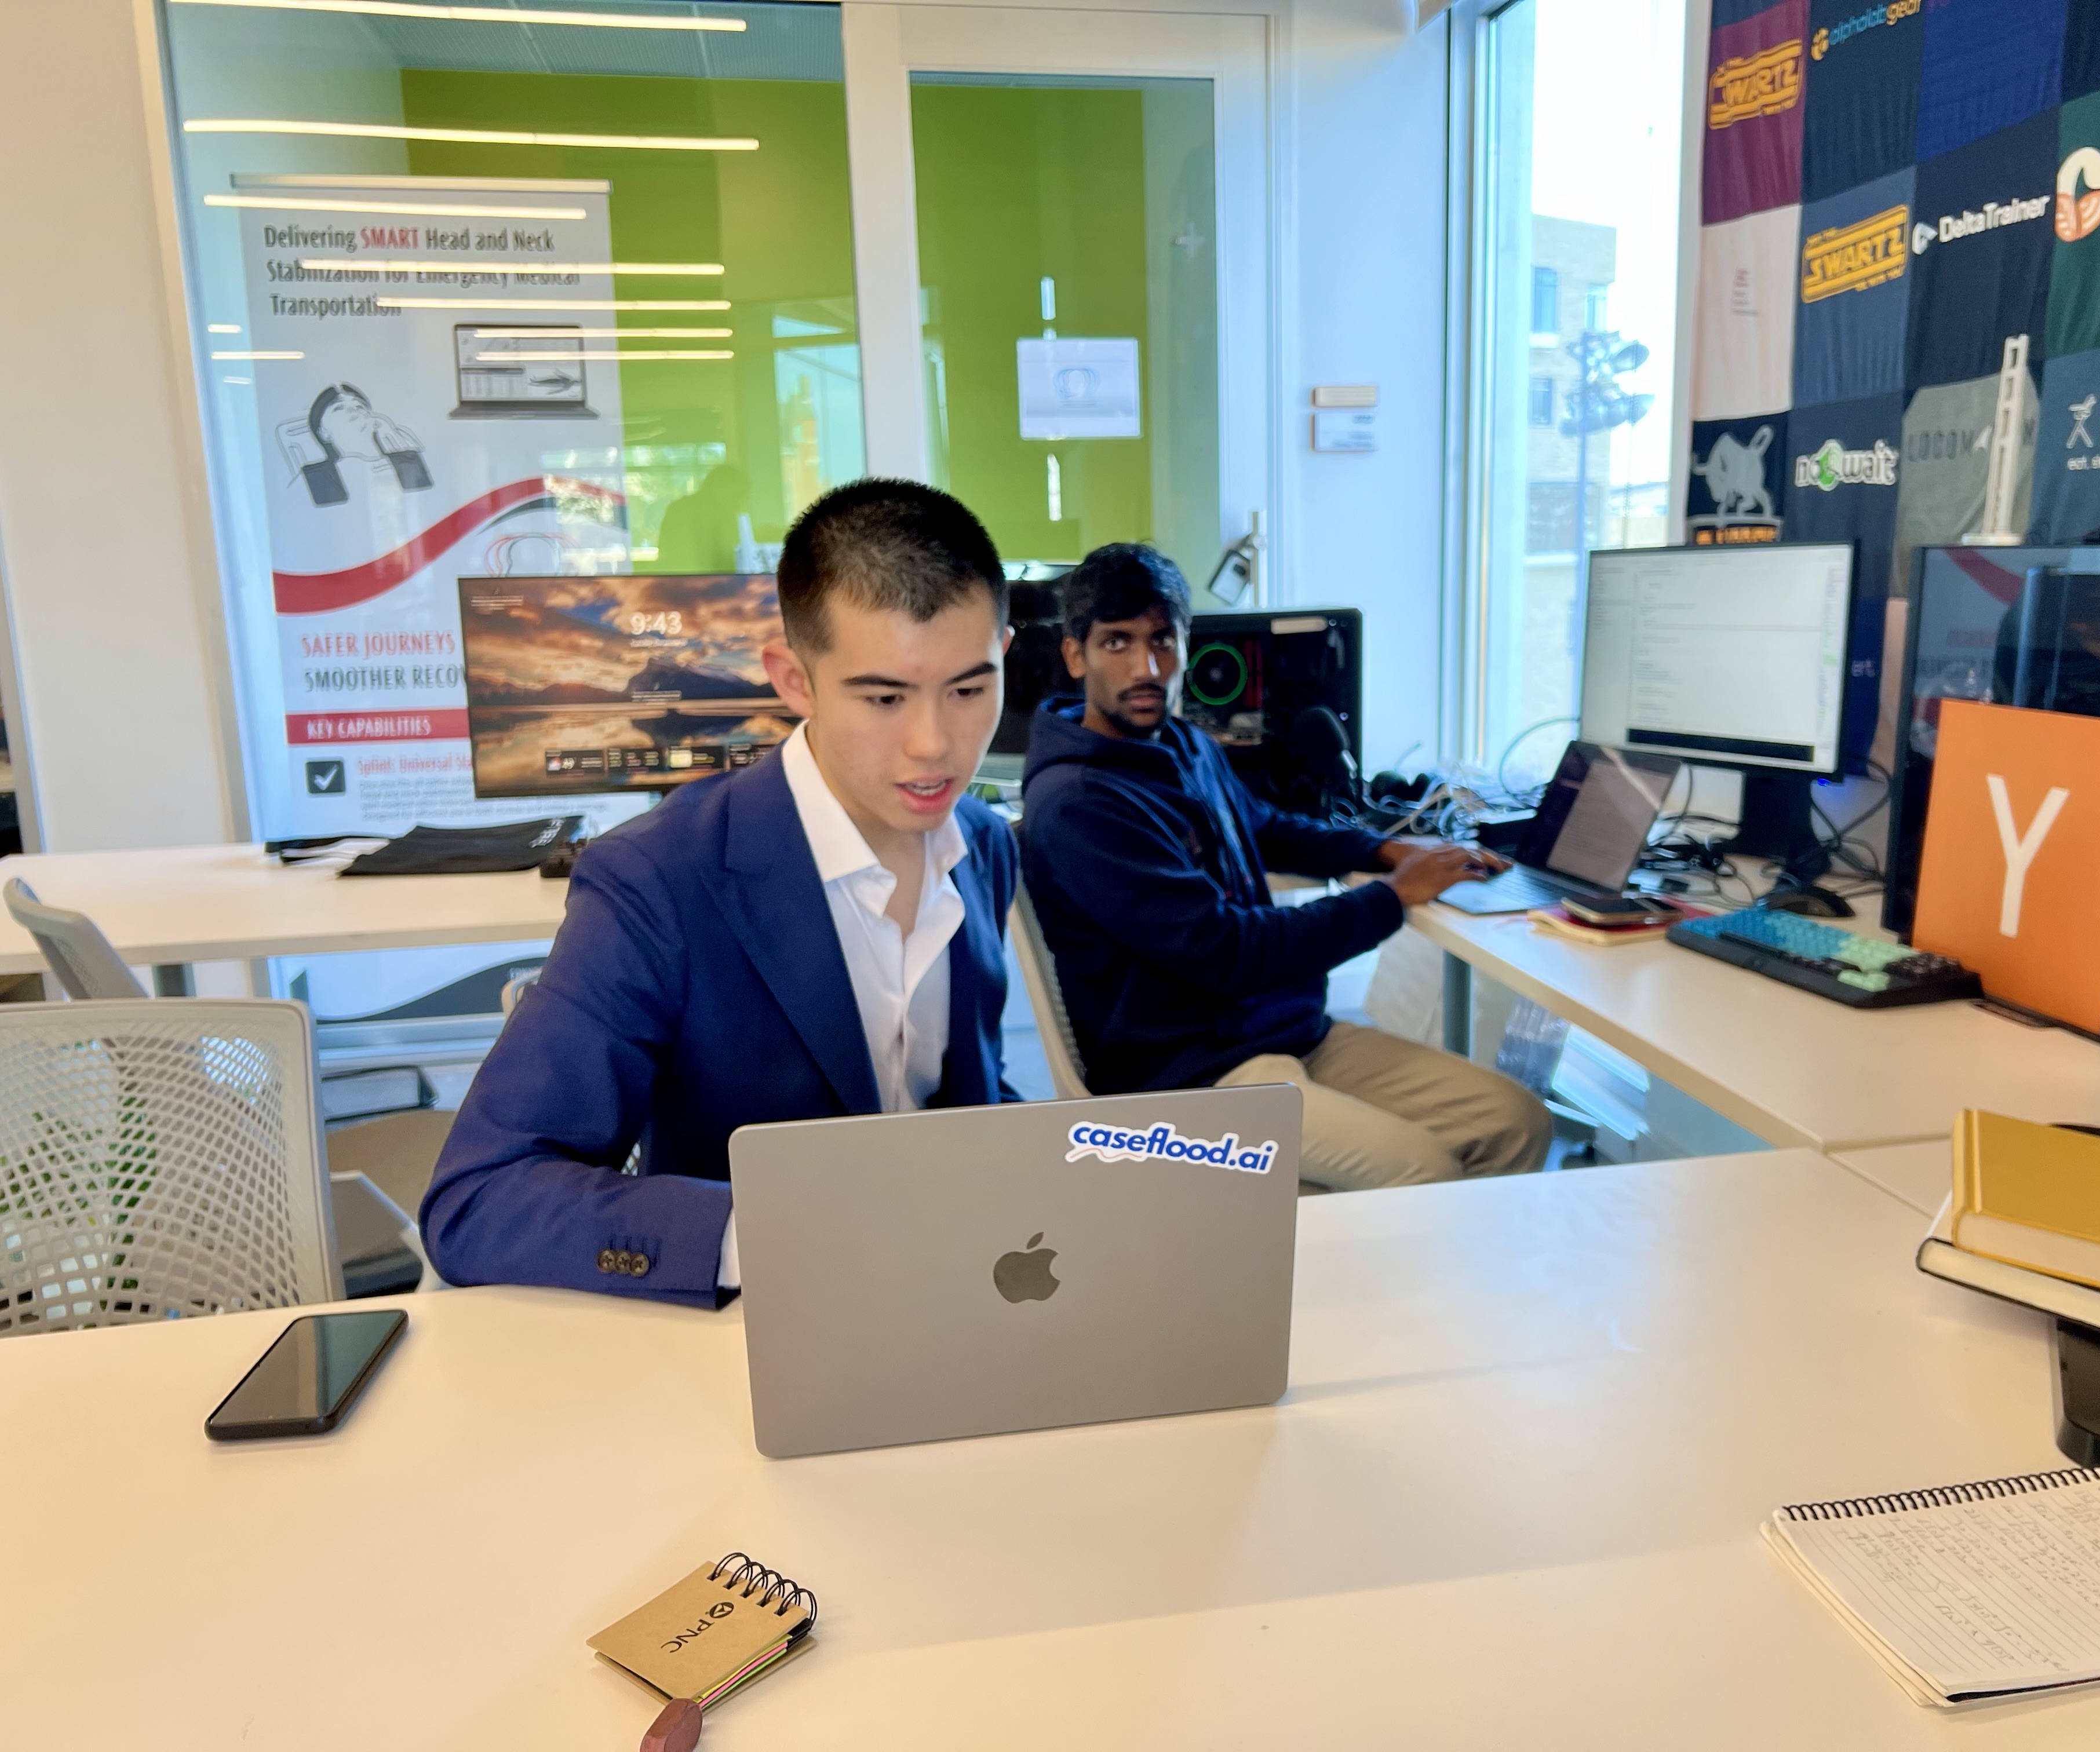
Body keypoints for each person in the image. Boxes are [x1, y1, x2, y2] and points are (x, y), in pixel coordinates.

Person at [421, 479, 1019, 1305]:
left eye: (968, 688)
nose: (935, 744)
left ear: (1005, 658)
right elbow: (479, 1199)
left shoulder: (983, 843)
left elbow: (957, 1094)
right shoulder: (657, 882)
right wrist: (779, 1237)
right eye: (883, 698)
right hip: (746, 1345)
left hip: (963, 1302)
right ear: (793, 680)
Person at [1019, 543, 1553, 1190]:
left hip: (1282, 1033)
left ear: (1186, 643)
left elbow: (1264, 827)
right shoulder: (1080, 803)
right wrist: (1391, 896)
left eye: (1163, 639)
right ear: (1075, 655)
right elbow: (1230, 951)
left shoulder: (1180, 743)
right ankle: (1386, 1285)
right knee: (1424, 1171)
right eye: (1117, 643)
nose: (1146, 667)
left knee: (1517, 1120)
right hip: (1188, 1078)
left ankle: (1450, 1286)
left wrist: (1382, 849)